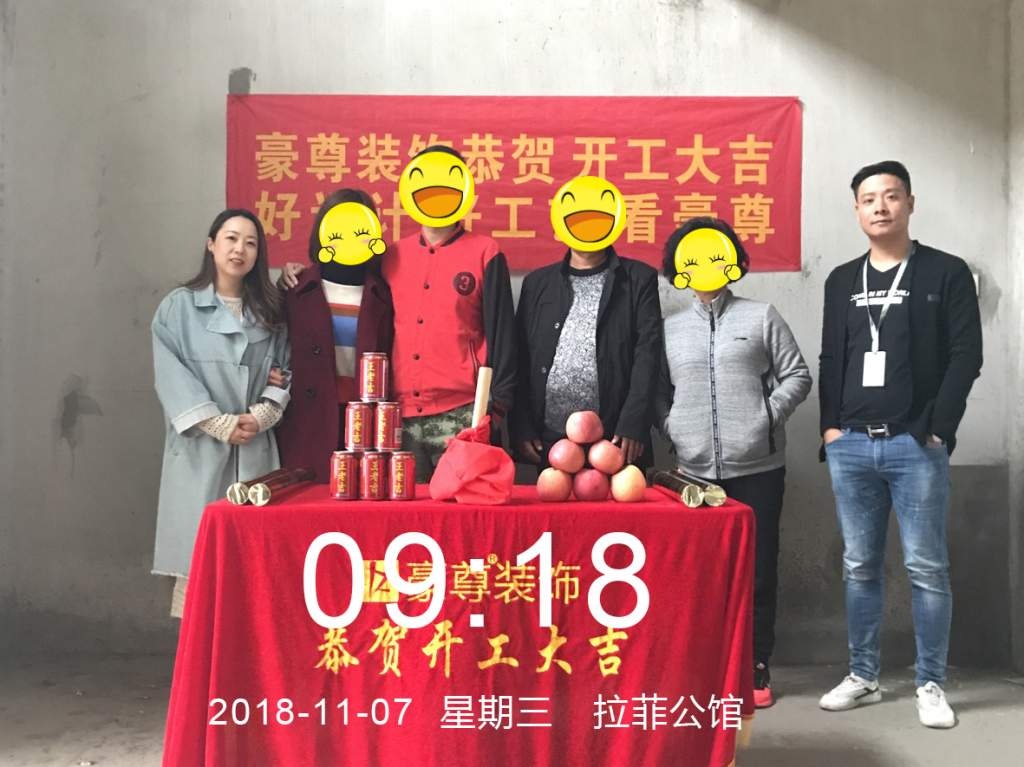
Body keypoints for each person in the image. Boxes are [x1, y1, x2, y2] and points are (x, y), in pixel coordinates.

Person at [818, 161, 982, 728]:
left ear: (910, 203)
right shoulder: (842, 279)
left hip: (916, 445)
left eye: (891, 196)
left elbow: (966, 355)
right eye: (869, 199)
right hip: (852, 444)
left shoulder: (945, 272)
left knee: (927, 567)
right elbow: (832, 358)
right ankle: (863, 676)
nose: (880, 207)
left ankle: (930, 684)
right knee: (859, 566)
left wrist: (938, 426)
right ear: (857, 210)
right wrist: (830, 428)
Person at [656, 217, 811, 709]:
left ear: (733, 262)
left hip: (758, 469)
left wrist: (766, 416)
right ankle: (705, 666)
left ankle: (755, 664)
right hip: (693, 474)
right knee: (700, 576)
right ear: (678, 268)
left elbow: (798, 375)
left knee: (758, 570)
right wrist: (673, 425)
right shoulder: (670, 329)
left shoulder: (761, 316)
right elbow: (657, 392)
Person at [151, 209, 290, 617]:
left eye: (250, 242)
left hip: (254, 450)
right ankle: (198, 655)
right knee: (197, 567)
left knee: (253, 569)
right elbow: (169, 373)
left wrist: (264, 414)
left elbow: (285, 370)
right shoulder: (178, 308)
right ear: (211, 245)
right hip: (200, 451)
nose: (239, 249)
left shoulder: (270, 311)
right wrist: (216, 422)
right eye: (230, 238)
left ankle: (245, 656)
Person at [385, 145, 517, 482]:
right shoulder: (391, 256)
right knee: (403, 511)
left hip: (462, 414)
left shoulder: (486, 252)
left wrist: (497, 409)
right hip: (400, 416)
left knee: (463, 508)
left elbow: (503, 334)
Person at [513, 176, 661, 468]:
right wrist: (521, 427)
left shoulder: (638, 279)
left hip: (616, 437)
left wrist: (633, 423)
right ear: (559, 224)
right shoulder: (537, 284)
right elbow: (519, 357)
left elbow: (648, 354)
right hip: (548, 437)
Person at [276, 189, 394, 481]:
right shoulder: (296, 288)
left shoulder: (384, 293)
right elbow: (275, 349)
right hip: (307, 421)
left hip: (366, 423)